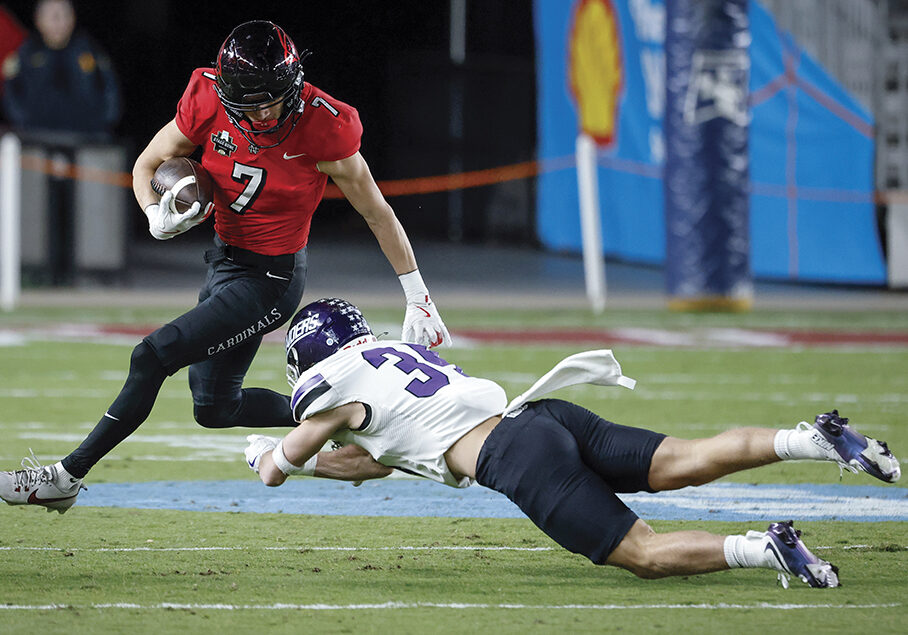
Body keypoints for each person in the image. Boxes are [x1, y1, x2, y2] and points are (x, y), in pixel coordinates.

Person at [0, 21, 450, 514]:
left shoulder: (325, 123)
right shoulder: (208, 97)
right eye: (250, 104)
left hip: (271, 279)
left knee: (151, 356)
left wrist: (417, 292)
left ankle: (64, 477)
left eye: (271, 100)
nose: (262, 114)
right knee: (215, 408)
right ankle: (357, 421)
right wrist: (154, 214)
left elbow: (376, 211)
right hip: (224, 261)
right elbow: (148, 164)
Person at [242, 298, 901, 589]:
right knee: (686, 458)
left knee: (641, 554)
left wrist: (269, 458)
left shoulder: (336, 385)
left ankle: (765, 549)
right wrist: (309, 467)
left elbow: (290, 455)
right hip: (543, 412)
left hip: (516, 456)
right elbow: (371, 462)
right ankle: (811, 438)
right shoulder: (392, 355)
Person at [1, 0, 120, 138]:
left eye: (64, 14)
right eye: (51, 15)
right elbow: (10, 93)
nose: (57, 21)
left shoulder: (89, 51)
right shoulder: (25, 54)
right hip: (36, 140)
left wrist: (101, 125)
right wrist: (24, 124)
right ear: (38, 19)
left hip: (85, 140)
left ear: (73, 18)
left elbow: (111, 91)